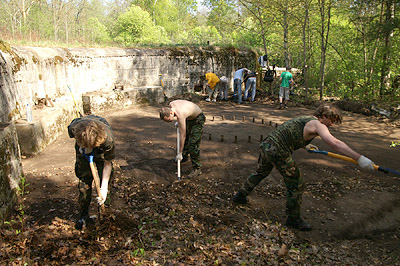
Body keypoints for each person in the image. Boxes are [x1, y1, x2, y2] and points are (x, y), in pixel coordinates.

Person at [232, 103, 375, 231]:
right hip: (278, 150)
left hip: (267, 145)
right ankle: (293, 219)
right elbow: (335, 143)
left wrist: (305, 144)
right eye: (332, 120)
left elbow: (292, 134)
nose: (331, 124)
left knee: (261, 172)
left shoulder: (306, 119)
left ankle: (240, 195)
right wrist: (359, 158)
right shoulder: (318, 124)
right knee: (296, 182)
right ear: (324, 116)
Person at [68, 115, 115, 230]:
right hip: (82, 147)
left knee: (106, 183)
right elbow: (74, 136)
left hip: (99, 148)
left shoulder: (108, 140)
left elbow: (107, 164)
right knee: (84, 183)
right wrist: (82, 147)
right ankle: (83, 214)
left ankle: (104, 214)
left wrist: (103, 188)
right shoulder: (73, 128)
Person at [160, 100, 205, 179]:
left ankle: (197, 168)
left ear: (171, 113)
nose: (170, 121)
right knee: (186, 139)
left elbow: (182, 136)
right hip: (188, 118)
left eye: (169, 119)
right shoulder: (171, 105)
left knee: (193, 144)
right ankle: (184, 156)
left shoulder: (180, 115)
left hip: (197, 119)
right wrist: (179, 121)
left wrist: (179, 152)